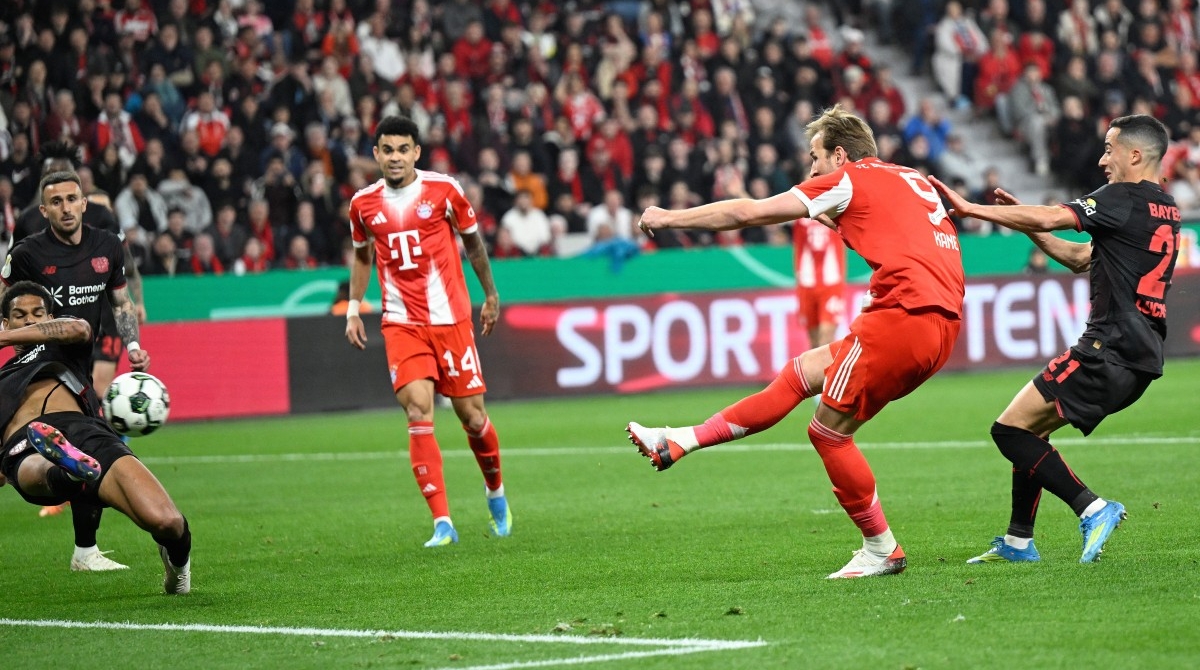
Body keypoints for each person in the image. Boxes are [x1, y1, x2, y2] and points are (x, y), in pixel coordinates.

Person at [628, 105, 965, 579]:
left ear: (840, 156)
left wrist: (667, 217)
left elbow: (746, 212)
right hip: (941, 322)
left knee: (828, 433)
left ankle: (881, 548)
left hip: (901, 318)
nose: (810, 169)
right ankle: (680, 440)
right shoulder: (909, 177)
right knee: (801, 373)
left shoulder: (849, 180)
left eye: (815, 157)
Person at [929, 114, 1180, 564]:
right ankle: (1018, 541)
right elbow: (1081, 258)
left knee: (1008, 430)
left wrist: (972, 209)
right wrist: (1029, 226)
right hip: (1140, 358)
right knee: (1033, 430)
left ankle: (1093, 508)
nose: (1102, 159)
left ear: (1135, 155)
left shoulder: (1120, 197)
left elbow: (1055, 216)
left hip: (1106, 349)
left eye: (1109, 149)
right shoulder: (1165, 208)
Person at [344, 115, 510, 547]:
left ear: (416, 152)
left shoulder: (445, 190)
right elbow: (362, 256)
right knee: (418, 410)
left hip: (450, 320)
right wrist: (353, 309)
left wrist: (490, 295)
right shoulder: (362, 204)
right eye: (387, 150)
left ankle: (496, 493)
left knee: (473, 418)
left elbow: (473, 244)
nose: (395, 157)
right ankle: (442, 522)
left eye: (403, 149)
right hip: (401, 323)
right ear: (376, 154)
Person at [0, 280, 191, 594]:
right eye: (20, 316)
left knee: (167, 522)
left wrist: (3, 338)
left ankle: (179, 567)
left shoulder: (65, 347)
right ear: (6, 322)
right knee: (35, 466)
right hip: (25, 441)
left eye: (37, 313)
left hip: (86, 432)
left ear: (50, 318)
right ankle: (68, 470)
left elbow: (78, 328)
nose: (30, 320)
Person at [2, 170, 150, 571]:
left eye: (71, 199)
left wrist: (133, 346)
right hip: (43, 364)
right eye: (56, 202)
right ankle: (84, 548)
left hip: (80, 363)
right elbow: (4, 301)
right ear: (44, 210)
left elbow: (121, 303)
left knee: (80, 456)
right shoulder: (28, 253)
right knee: (84, 448)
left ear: (85, 203)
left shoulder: (107, 246)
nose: (65, 208)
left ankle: (85, 551)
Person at [793, 215, 846, 352]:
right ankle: (819, 366)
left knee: (826, 337)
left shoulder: (834, 214)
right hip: (807, 284)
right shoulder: (801, 220)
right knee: (814, 342)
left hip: (831, 284)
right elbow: (798, 249)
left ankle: (831, 366)